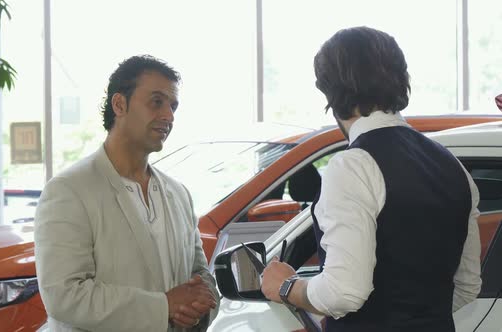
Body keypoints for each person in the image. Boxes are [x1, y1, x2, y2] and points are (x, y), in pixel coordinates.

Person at [261, 26, 482, 331]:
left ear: (330, 93)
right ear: (401, 80)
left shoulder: (352, 166)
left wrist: (286, 287)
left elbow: (344, 292)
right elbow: (467, 286)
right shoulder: (452, 166)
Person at [35, 55, 219, 331]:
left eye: (173, 106)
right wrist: (165, 306)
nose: (168, 116)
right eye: (157, 102)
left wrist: (201, 306)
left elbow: (200, 276)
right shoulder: (68, 191)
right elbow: (64, 295)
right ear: (119, 104)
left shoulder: (178, 193)